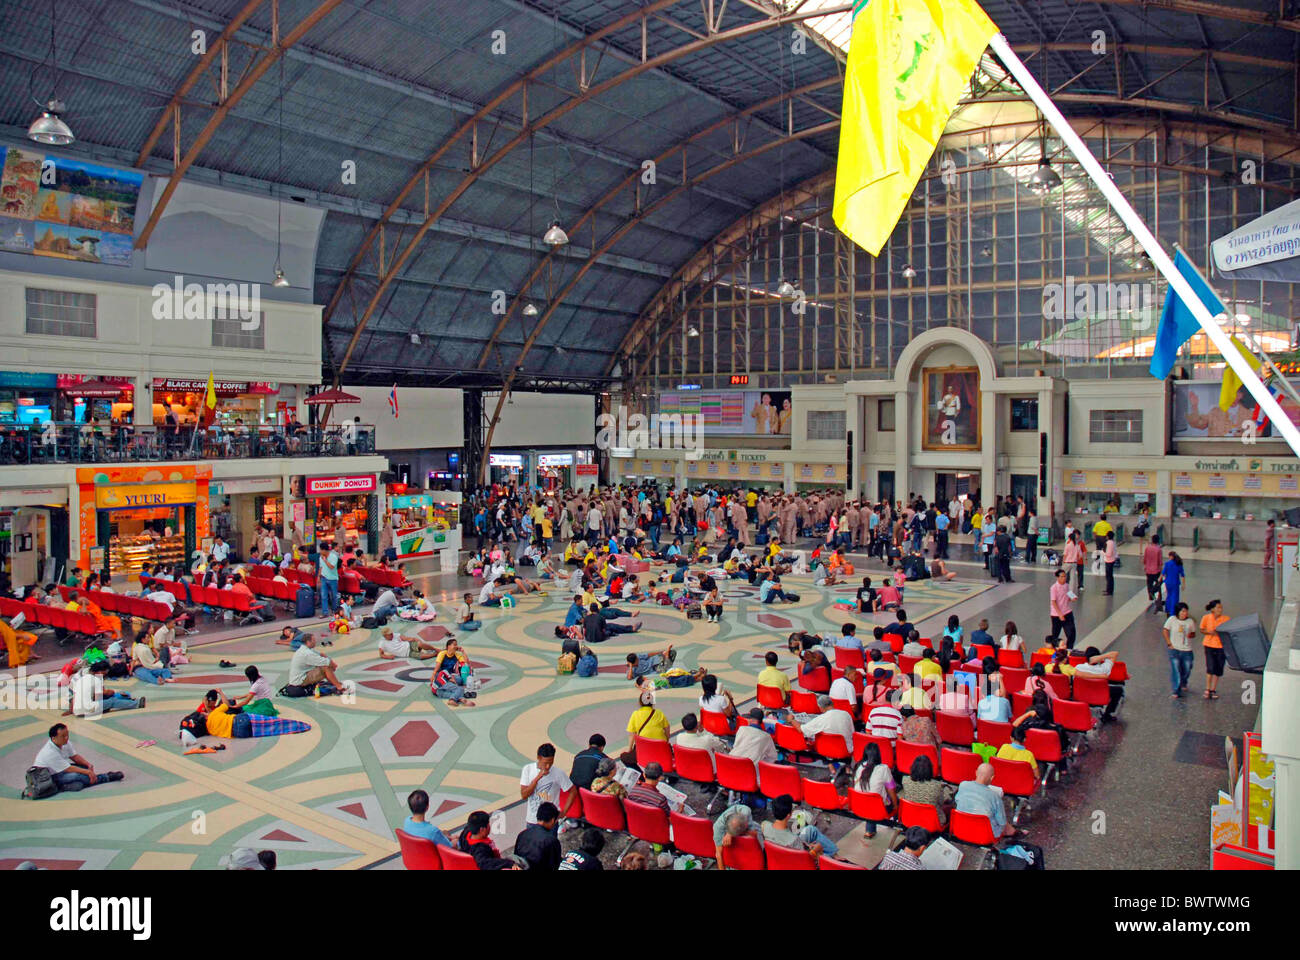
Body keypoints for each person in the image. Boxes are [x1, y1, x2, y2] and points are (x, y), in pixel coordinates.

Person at [34, 723, 125, 793]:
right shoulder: (50, 752)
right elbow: (68, 769)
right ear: (53, 738)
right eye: (63, 736)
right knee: (78, 775)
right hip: (49, 777)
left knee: (83, 771)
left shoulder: (64, 742)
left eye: (67, 735)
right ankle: (106, 777)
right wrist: (88, 772)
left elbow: (74, 756)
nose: (66, 738)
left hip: (60, 769)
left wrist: (88, 765)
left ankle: (72, 785)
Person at [762, 793, 839, 859]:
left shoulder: (764, 826)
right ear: (789, 815)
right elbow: (805, 859)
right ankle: (836, 861)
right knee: (825, 856)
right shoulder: (793, 840)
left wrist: (805, 844)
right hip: (793, 862)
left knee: (810, 830)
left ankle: (835, 855)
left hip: (780, 855)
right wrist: (816, 849)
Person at [954, 762, 1018, 838]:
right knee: (999, 819)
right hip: (985, 835)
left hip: (961, 829)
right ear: (992, 778)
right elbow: (1002, 822)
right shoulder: (995, 796)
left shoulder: (963, 785)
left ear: (976, 773)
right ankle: (1014, 832)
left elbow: (957, 801)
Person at [70, 660, 145, 715]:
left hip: (77, 710)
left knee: (106, 700)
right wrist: (115, 692)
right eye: (104, 674)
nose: (104, 676)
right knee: (112, 701)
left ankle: (127, 700)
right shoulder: (96, 679)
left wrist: (72, 710)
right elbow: (104, 693)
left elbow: (73, 696)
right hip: (88, 709)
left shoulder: (82, 677)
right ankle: (137, 703)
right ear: (99, 672)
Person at [854, 742, 896, 838]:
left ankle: (869, 831)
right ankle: (897, 826)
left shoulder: (859, 766)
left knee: (870, 798)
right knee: (892, 799)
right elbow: (891, 789)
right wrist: (896, 805)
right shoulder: (883, 768)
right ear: (878, 754)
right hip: (878, 809)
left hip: (859, 806)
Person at [513, 801, 562, 870]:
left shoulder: (522, 834)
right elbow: (555, 865)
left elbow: (516, 858)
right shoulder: (551, 841)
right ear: (552, 820)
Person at [1163, 601, 1197, 699]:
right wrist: (1169, 643)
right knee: (1176, 669)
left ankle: (1183, 681)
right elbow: (1165, 630)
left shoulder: (1190, 622)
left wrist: (1191, 635)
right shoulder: (1172, 620)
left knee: (1187, 667)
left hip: (1187, 649)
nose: (1184, 613)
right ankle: (1176, 689)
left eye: (1185, 611)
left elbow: (1193, 633)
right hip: (1175, 649)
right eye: (1182, 611)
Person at [1200, 599, 1229, 701]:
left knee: (1218, 668)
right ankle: (1207, 688)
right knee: (1210, 667)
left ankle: (1213, 689)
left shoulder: (1226, 619)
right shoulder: (1206, 618)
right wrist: (1210, 632)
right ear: (1212, 609)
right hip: (1209, 645)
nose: (1220, 609)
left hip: (1221, 646)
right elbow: (1202, 629)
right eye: (1218, 607)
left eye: (1221, 607)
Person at [1049, 568, 1077, 648]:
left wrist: (1072, 598)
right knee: (1055, 634)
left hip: (1067, 612)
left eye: (1065, 576)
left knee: (1071, 633)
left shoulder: (1067, 586)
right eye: (1062, 576)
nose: (1064, 578)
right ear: (1057, 578)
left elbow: (1068, 595)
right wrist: (1060, 614)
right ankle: (1054, 650)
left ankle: (1069, 649)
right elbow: (1053, 602)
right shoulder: (1053, 588)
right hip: (1056, 614)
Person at [318, 539, 340, 618]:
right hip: (324, 578)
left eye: (321, 549)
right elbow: (321, 567)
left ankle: (335, 611)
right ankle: (325, 612)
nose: (320, 551)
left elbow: (331, 567)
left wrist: (325, 560)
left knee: (334, 596)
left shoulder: (333, 556)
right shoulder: (321, 557)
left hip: (333, 579)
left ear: (324, 550)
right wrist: (318, 577)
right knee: (324, 596)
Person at [1143, 535, 1164, 614]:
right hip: (1156, 569)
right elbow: (1160, 561)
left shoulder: (1147, 548)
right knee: (1159, 583)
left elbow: (1145, 559)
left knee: (1149, 583)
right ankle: (1154, 592)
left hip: (1148, 569)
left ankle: (1150, 595)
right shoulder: (1159, 549)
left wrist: (1145, 565)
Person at [1162, 551, 1185, 617]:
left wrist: (1159, 580)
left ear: (1171, 556)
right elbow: (1182, 575)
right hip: (1175, 583)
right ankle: (1173, 611)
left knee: (1168, 596)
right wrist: (1183, 584)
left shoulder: (1167, 564)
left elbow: (1163, 573)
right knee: (1175, 597)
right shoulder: (1178, 564)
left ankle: (1167, 609)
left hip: (1168, 583)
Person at [1102, 531, 1118, 596]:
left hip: (1109, 560)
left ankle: (1109, 590)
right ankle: (1109, 589)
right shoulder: (1113, 543)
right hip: (1112, 560)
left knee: (1108, 576)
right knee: (1110, 576)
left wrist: (1103, 553)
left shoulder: (1108, 543)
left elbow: (1108, 554)